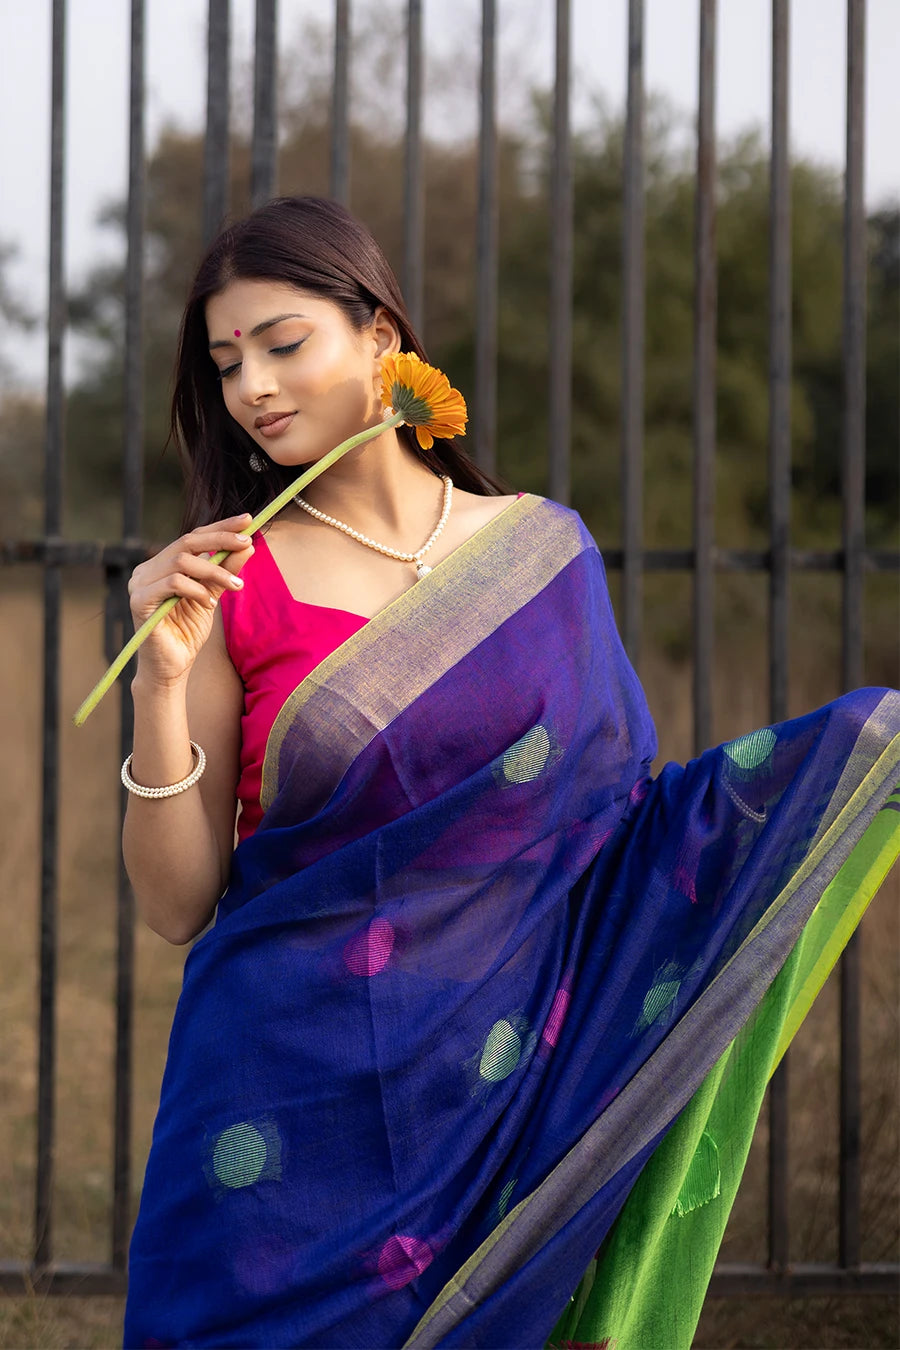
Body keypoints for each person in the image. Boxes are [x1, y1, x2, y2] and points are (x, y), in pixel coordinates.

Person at [121, 196, 899, 1350]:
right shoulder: (234, 584)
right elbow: (179, 902)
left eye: (284, 343)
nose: (252, 388)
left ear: (382, 339)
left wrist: (844, 756)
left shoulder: (540, 553)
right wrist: (155, 684)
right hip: (276, 1093)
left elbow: (620, 829)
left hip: (489, 1086)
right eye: (227, 362)